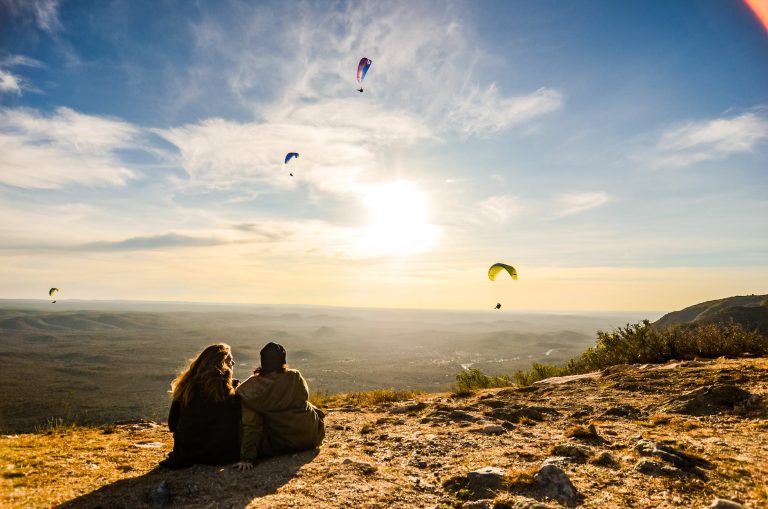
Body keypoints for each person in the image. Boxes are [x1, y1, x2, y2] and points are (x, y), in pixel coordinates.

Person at [233, 342, 325, 471]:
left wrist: (247, 458)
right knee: (309, 406)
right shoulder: (295, 376)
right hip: (312, 437)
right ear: (283, 359)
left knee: (245, 418)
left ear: (262, 361)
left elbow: (252, 425)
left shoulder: (251, 388)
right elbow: (303, 400)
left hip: (281, 442)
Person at [159, 343, 240, 469]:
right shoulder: (227, 393)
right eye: (230, 360)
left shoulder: (186, 388)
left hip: (185, 455)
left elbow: (172, 424)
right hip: (220, 455)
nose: (233, 363)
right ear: (221, 365)